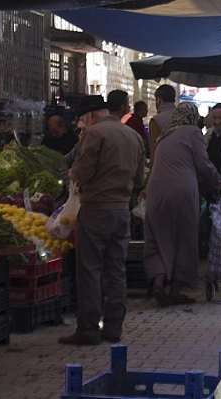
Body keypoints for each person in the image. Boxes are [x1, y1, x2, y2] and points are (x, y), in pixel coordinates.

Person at [59, 95, 146, 346]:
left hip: (96, 210)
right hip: (121, 212)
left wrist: (72, 172)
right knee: (116, 270)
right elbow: (139, 179)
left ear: (89, 116)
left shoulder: (95, 134)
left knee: (90, 270)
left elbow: (83, 172)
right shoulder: (133, 136)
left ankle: (87, 329)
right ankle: (113, 328)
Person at [144, 103, 221, 307]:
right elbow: (203, 165)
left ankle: (158, 284)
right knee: (185, 239)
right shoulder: (193, 132)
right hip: (182, 192)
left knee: (159, 239)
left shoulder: (163, 136)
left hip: (155, 192)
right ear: (193, 117)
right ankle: (175, 291)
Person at [149, 84, 177, 161]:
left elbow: (155, 150)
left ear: (159, 100)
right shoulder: (185, 116)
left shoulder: (157, 120)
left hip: (164, 166)